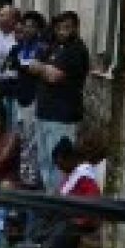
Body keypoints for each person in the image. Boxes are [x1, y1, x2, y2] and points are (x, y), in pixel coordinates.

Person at [25, 11, 90, 192]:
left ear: (76, 28)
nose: (62, 32)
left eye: (67, 28)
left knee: (60, 162)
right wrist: (43, 68)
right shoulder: (53, 45)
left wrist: (42, 68)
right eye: (59, 28)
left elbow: (55, 76)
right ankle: (49, 196)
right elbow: (31, 65)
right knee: (44, 160)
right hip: (44, 111)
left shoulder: (76, 50)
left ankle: (59, 199)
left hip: (62, 116)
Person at [0, 10, 47, 188]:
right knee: (20, 137)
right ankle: (23, 177)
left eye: (33, 26)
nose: (28, 29)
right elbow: (7, 71)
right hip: (17, 97)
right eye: (26, 25)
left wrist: (23, 68)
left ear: (39, 29)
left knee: (33, 140)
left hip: (34, 99)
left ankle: (33, 180)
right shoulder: (17, 49)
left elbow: (35, 71)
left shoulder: (41, 50)